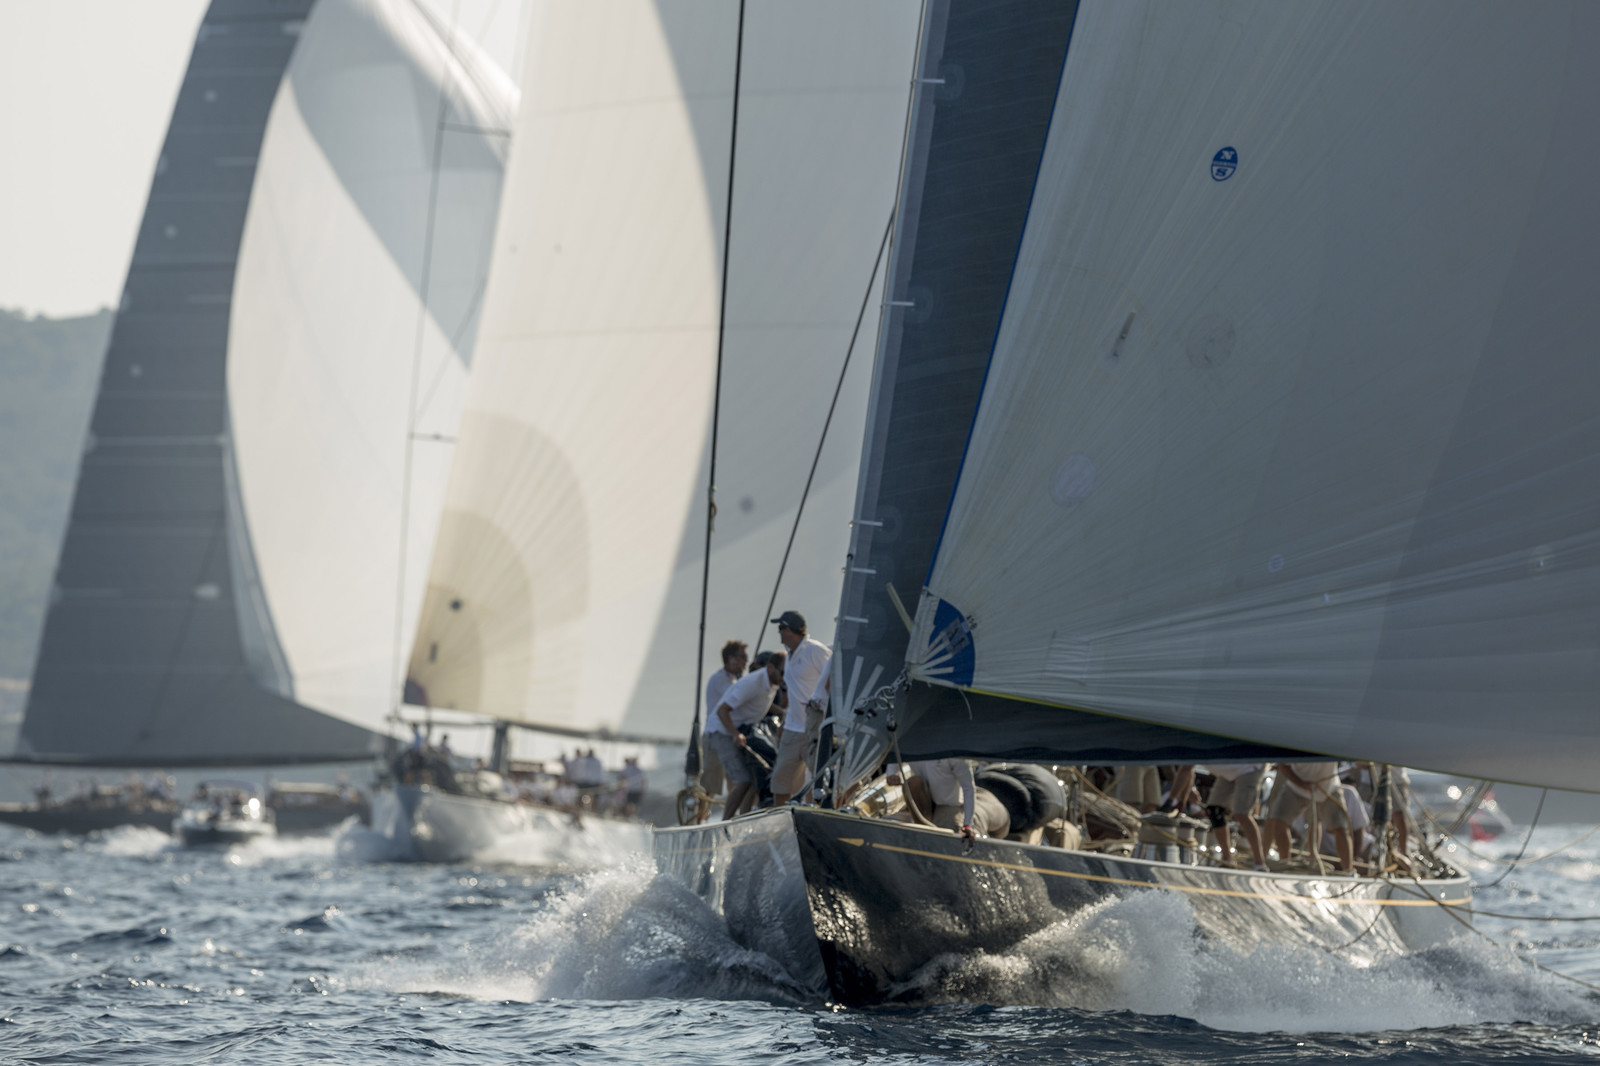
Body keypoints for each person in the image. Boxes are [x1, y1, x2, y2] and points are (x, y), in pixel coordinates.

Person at [707, 649, 785, 820]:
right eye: (783, 672)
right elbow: (722, 710)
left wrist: (784, 713)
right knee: (743, 780)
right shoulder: (753, 682)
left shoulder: (773, 683)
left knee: (753, 778)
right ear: (770, 668)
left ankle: (744, 818)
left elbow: (761, 703)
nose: (784, 677)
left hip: (742, 729)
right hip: (722, 731)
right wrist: (735, 734)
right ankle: (726, 822)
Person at [769, 611, 831, 805]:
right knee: (780, 782)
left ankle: (824, 814)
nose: (779, 632)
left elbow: (834, 676)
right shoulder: (789, 654)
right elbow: (795, 692)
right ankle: (781, 820)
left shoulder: (815, 650)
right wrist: (785, 720)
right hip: (792, 729)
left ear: (789, 630)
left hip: (815, 728)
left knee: (822, 781)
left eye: (781, 628)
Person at [1263, 762, 1353, 871]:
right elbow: (1283, 766)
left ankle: (1348, 871)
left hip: (1328, 787)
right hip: (1296, 786)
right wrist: (1302, 784)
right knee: (1278, 821)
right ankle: (1285, 864)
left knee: (1340, 828)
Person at [697, 640, 747, 822]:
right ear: (731, 658)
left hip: (728, 737)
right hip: (715, 737)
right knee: (711, 782)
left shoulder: (734, 680)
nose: (746, 661)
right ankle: (699, 819)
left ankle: (731, 818)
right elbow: (738, 700)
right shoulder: (720, 680)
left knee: (733, 780)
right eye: (743, 656)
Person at [1202, 763, 1269, 870]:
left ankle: (1260, 863)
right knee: (1214, 810)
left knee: (1242, 814)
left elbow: (1186, 770)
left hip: (1249, 767)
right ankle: (1227, 859)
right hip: (1228, 771)